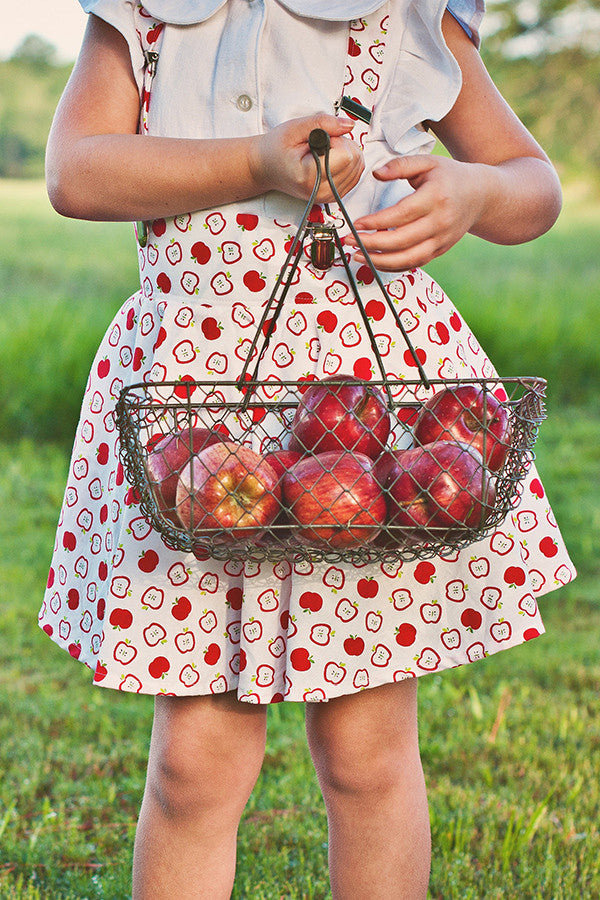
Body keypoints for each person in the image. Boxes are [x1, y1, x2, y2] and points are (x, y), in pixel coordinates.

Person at [40, 1, 576, 897]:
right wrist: (252, 161)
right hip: (198, 419)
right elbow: (75, 172)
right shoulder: (151, 14)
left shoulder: (406, 14)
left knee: (366, 755)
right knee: (194, 764)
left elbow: (534, 184)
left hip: (374, 428)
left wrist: (475, 194)